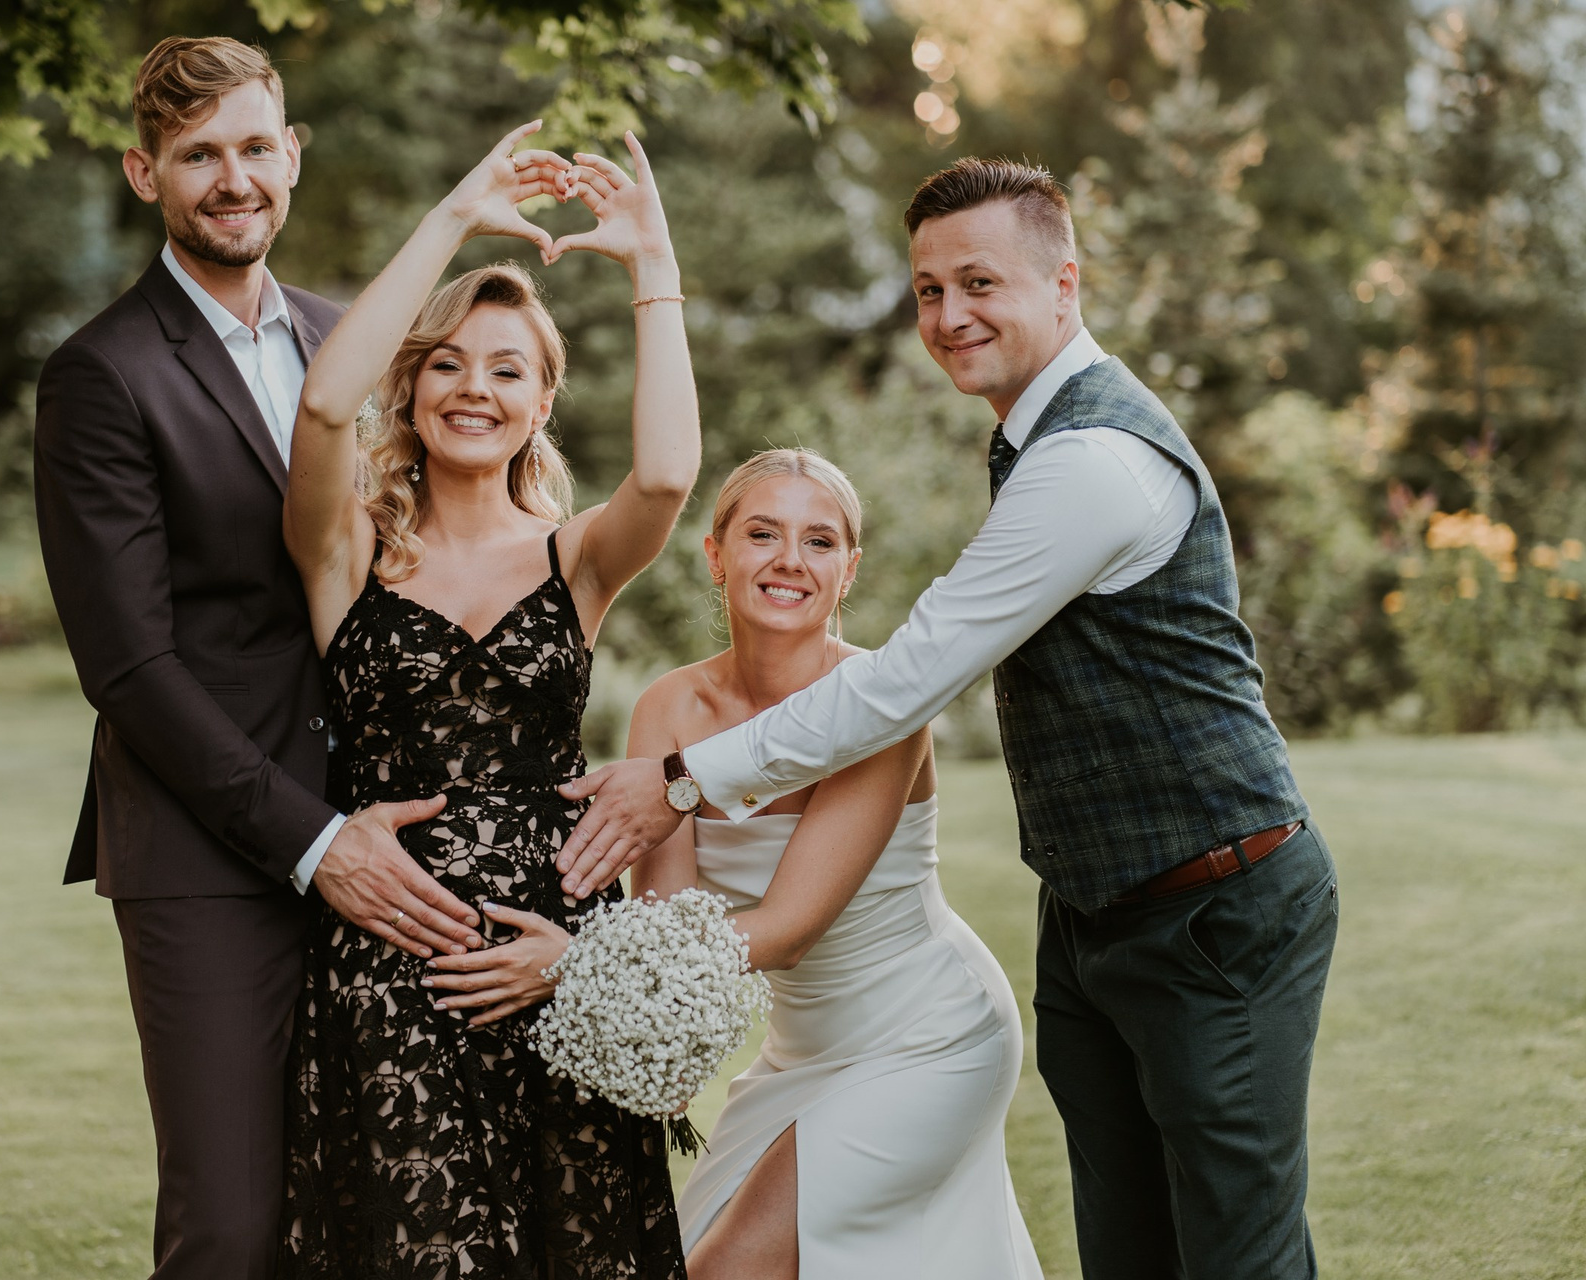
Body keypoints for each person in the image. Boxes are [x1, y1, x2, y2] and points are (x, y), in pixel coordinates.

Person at [557, 158, 1340, 1280]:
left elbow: (905, 681)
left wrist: (682, 780)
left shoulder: (1093, 458)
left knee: (1235, 1255)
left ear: (1063, 283)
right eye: (929, 290)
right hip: (1094, 913)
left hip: (1215, 904)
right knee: (1129, 1251)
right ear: (717, 555)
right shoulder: (1032, 441)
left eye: (979, 282)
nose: (949, 314)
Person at [33, 37, 480, 1279]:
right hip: (208, 855)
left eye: (252, 148)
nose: (232, 180)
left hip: (395, 831)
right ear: (145, 174)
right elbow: (129, 667)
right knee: (230, 1225)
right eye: (197, 156)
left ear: (292, 155)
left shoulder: (355, 342)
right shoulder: (101, 375)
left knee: (376, 1204)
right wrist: (316, 840)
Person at [279, 122, 699, 1278]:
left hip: (558, 967)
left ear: (543, 401)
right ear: (410, 385)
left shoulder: (578, 559)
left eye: (508, 368)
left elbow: (667, 473)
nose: (475, 387)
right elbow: (321, 409)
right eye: (448, 363)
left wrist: (653, 267)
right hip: (390, 966)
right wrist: (457, 215)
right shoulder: (347, 549)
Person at [627, 449, 1043, 1280]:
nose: (790, 559)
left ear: (848, 570)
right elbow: (667, 926)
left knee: (724, 1272)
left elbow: (786, 931)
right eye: (762, 534)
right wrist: (658, 1045)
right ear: (715, 555)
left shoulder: (884, 704)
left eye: (818, 542)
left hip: (928, 1034)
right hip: (799, 1054)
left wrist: (577, 965)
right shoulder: (669, 707)